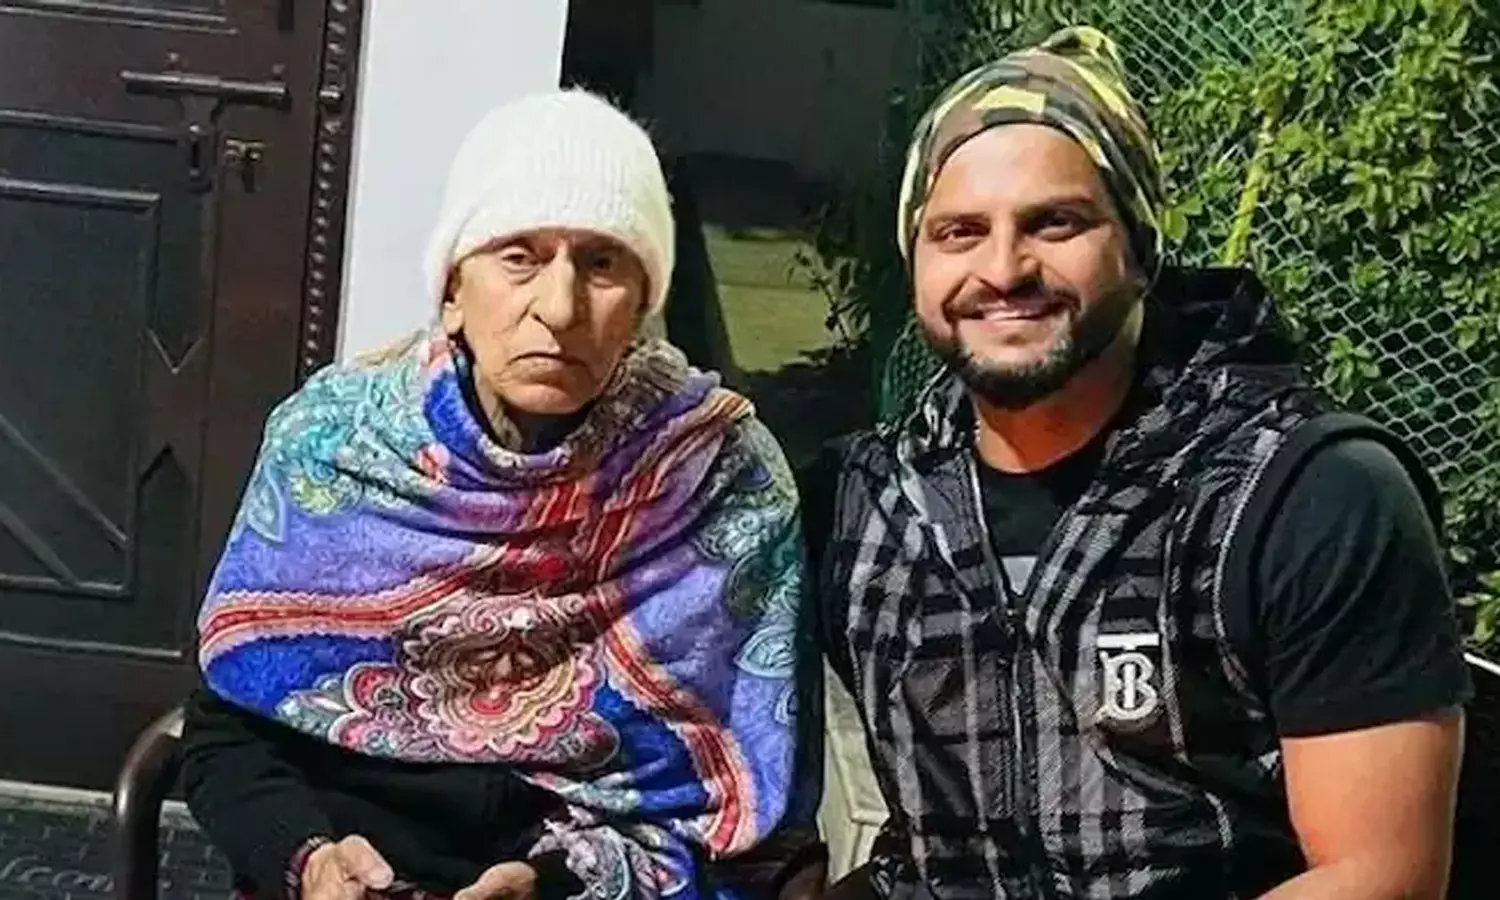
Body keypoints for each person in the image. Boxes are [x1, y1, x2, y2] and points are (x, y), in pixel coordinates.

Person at [801, 25, 1471, 900]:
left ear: (1139, 245)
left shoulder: (1307, 494)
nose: (1003, 268)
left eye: (1055, 222)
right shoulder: (858, 502)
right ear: (917, 260)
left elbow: (1381, 874)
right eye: (959, 232)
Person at [181, 89, 824, 900]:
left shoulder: (719, 478)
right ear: (453, 291)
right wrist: (308, 859)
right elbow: (226, 732)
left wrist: (557, 882)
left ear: (643, 304)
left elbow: (739, 813)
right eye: (519, 256)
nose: (558, 308)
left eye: (602, 263)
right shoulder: (333, 448)